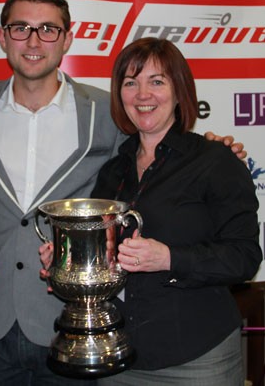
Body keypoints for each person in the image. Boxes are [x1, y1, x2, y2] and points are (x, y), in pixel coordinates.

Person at [0, 0, 246, 385]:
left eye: (49, 29)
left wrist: (219, 149)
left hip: (75, 330)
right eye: (21, 28)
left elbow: (239, 250)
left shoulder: (104, 117)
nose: (34, 40)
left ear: (67, 39)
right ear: (3, 37)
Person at [87, 37, 260, 384]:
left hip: (197, 361)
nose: (142, 94)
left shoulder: (216, 161)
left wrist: (169, 258)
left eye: (157, 81)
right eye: (131, 82)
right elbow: (100, 253)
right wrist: (67, 258)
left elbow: (244, 257)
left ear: (180, 91)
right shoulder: (112, 172)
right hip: (117, 357)